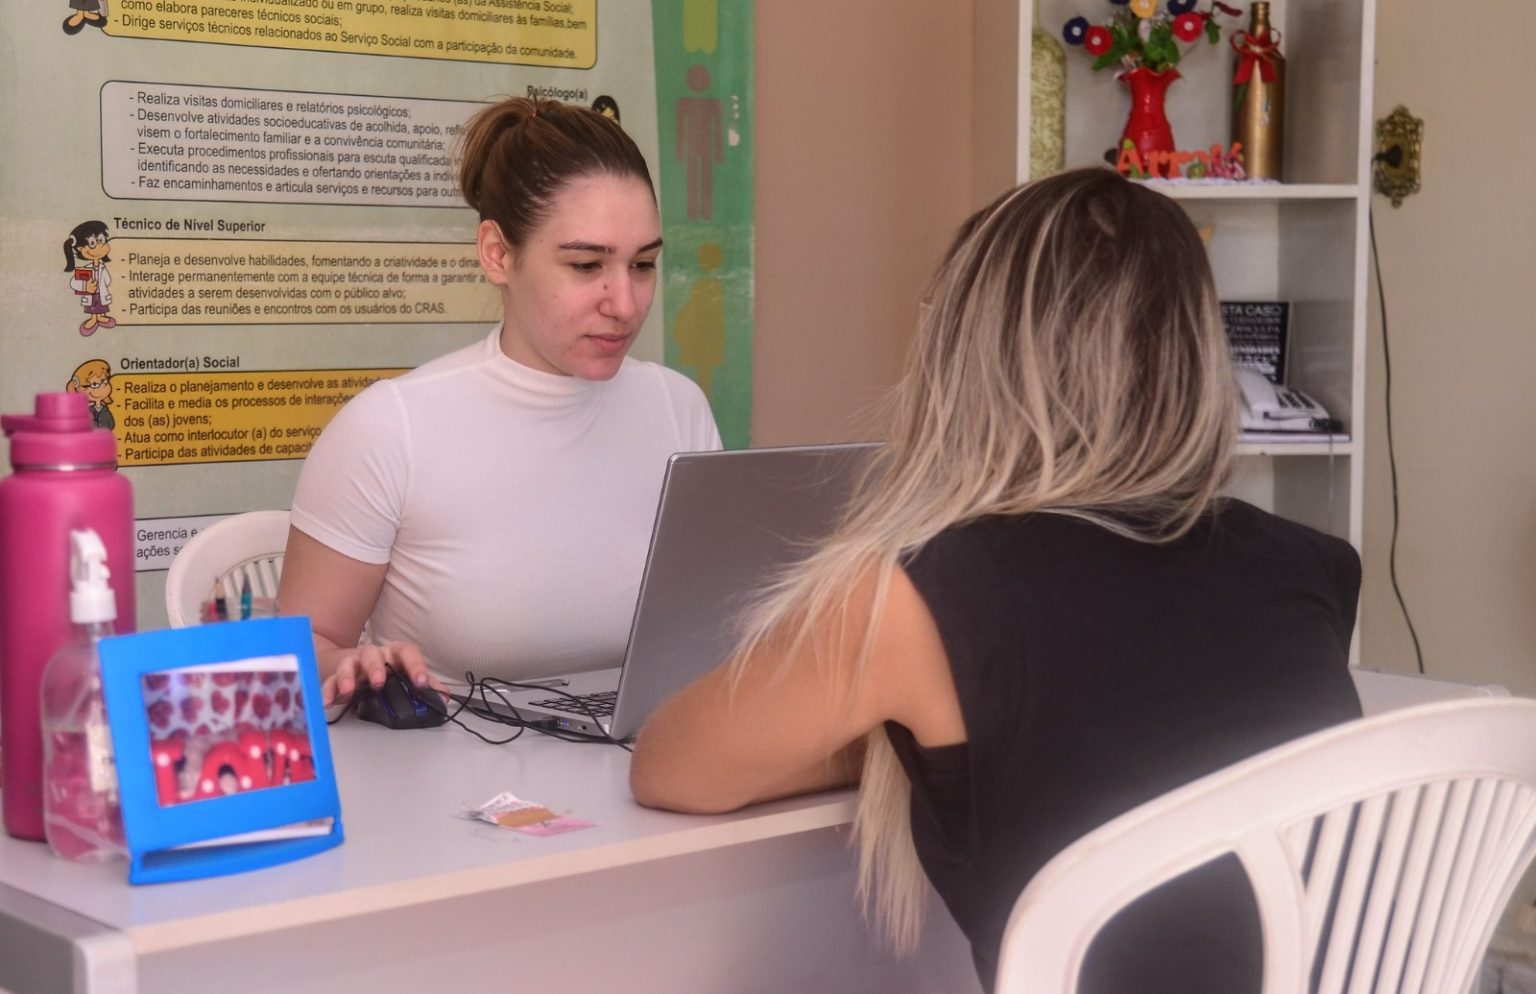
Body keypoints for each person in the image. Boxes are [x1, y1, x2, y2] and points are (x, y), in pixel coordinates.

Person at [628, 168, 1361, 994]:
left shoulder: (928, 594)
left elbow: (671, 767)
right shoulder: (1312, 567)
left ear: (965, 355)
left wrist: (884, 722)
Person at [279, 97, 721, 706]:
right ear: (498, 254)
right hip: (452, 762)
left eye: (643, 264)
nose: (624, 303)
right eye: (586, 265)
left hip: (645, 754)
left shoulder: (677, 408)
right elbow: (301, 650)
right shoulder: (390, 428)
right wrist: (354, 664)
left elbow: (710, 626)